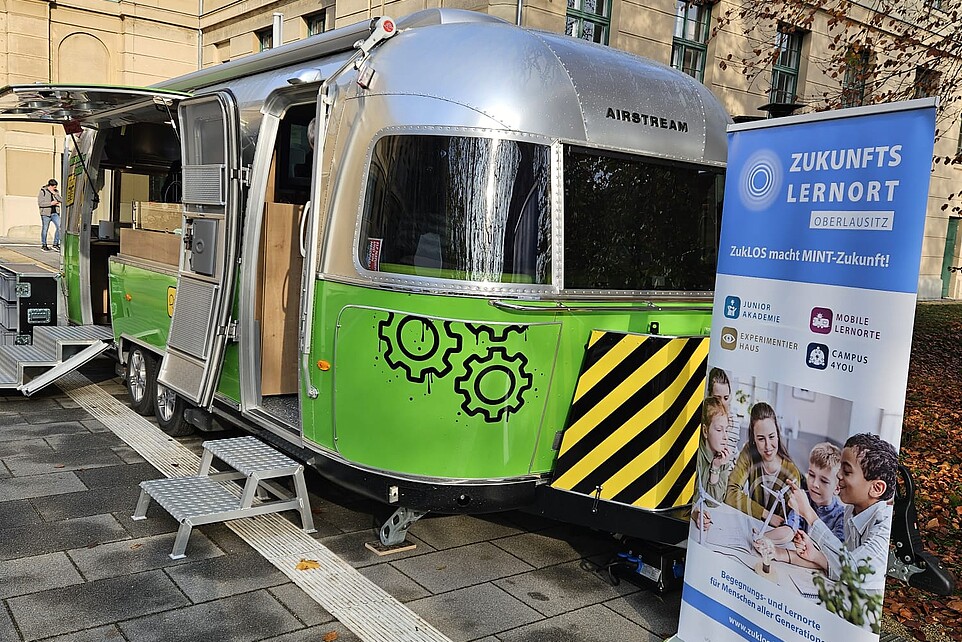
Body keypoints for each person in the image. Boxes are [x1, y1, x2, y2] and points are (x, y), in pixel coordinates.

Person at [788, 433, 897, 596]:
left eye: (846, 471)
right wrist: (817, 557)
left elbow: (854, 571)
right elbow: (845, 563)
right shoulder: (850, 511)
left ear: (876, 488)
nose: (838, 475)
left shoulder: (884, 527)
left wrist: (809, 514)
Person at [753, 441, 844, 547]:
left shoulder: (841, 516)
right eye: (811, 475)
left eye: (824, 481)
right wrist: (762, 537)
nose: (815, 484)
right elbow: (789, 530)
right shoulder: (802, 500)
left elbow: (837, 553)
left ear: (837, 488)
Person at [724, 401, 801, 525]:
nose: (768, 446)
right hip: (752, 524)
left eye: (771, 437)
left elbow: (788, 521)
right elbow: (730, 491)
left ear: (777, 434)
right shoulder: (749, 451)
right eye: (761, 439)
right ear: (753, 438)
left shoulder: (791, 473)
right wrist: (766, 515)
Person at [691, 396, 734, 533]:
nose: (725, 437)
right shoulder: (695, 456)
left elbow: (713, 502)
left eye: (726, 430)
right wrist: (695, 514)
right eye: (719, 430)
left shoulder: (723, 459)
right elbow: (690, 499)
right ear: (705, 431)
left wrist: (715, 468)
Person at [708, 367, 739, 453]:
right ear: (709, 395)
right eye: (717, 398)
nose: (722, 403)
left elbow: (725, 458)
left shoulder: (734, 422)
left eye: (726, 398)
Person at [37, 178, 61, 252]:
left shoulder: (56, 192)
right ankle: (44, 245)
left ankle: (55, 244)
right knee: (45, 229)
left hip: (55, 213)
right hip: (46, 214)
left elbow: (61, 200)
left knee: (60, 226)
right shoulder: (43, 191)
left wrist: (54, 194)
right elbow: (40, 203)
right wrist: (50, 203)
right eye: (54, 187)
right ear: (50, 186)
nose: (55, 188)